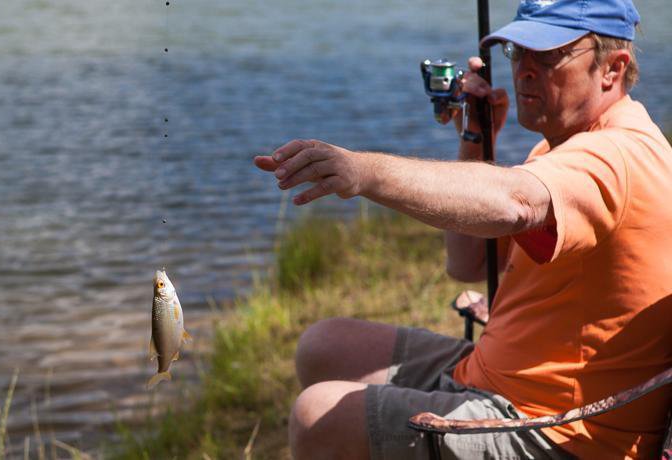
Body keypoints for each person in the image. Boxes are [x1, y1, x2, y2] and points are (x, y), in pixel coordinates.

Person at [253, 0, 672, 458]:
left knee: (318, 416)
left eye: (549, 54)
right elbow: (467, 263)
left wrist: (362, 172)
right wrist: (476, 140)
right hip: (497, 374)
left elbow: (515, 201)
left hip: (556, 430)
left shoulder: (617, 155)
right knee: (323, 345)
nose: (526, 70)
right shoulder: (558, 149)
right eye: (518, 53)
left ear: (613, 68)